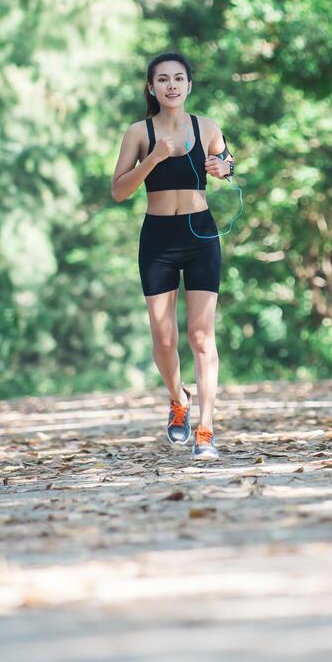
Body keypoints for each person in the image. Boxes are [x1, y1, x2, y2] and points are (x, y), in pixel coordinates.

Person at [111, 51, 235, 459]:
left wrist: (223, 168)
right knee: (164, 339)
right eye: (162, 79)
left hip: (200, 233)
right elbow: (119, 191)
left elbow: (226, 161)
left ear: (188, 85)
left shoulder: (207, 127)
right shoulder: (139, 133)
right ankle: (177, 399)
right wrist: (155, 158)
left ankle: (206, 431)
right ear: (151, 88)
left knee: (202, 337)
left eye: (179, 78)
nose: (171, 85)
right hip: (158, 239)